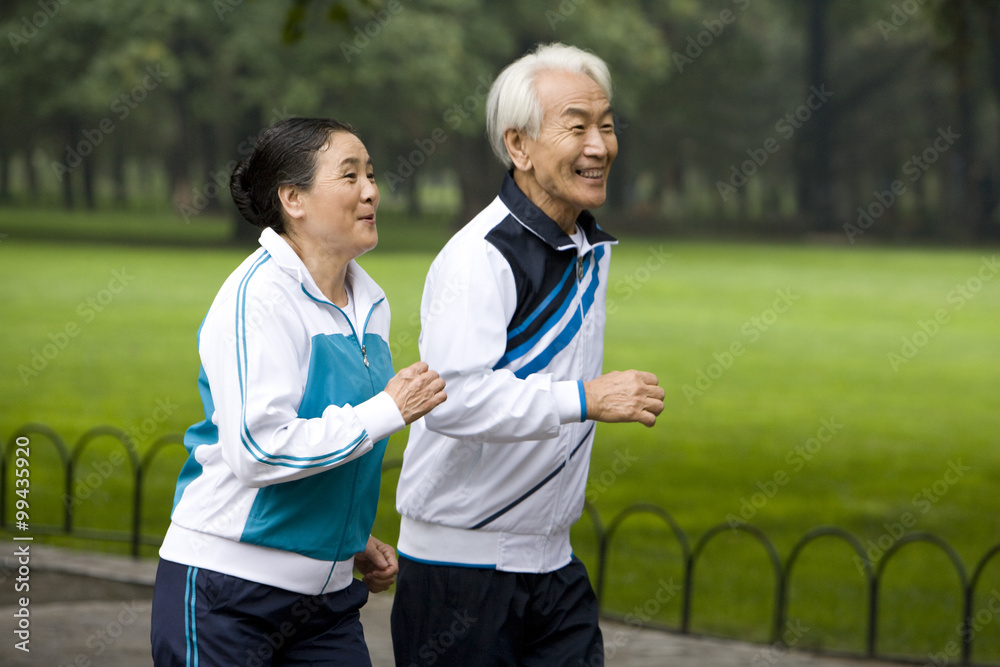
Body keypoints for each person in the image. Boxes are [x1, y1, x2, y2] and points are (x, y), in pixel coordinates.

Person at [391, 43, 665, 666]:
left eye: (607, 125)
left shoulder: (586, 247)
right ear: (519, 147)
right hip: (460, 571)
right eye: (577, 127)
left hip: (553, 563)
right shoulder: (480, 257)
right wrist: (585, 399)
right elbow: (450, 401)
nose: (599, 145)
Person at [150, 117, 446, 666]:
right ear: (293, 199)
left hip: (326, 602)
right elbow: (259, 449)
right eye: (350, 175)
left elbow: (327, 433)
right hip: (226, 593)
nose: (371, 190)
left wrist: (346, 540)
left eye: (372, 175)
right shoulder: (258, 297)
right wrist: (389, 408)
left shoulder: (369, 303)